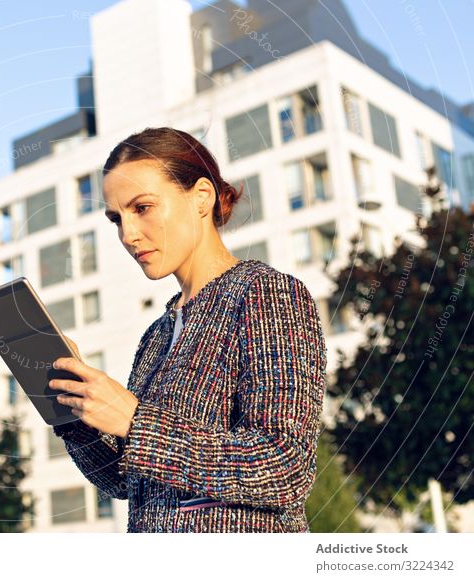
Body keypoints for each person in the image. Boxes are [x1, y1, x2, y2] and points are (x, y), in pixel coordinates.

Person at [48, 127, 327, 533]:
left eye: (141, 207)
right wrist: (72, 411)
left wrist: (136, 423)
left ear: (201, 198)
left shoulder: (265, 294)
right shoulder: (156, 336)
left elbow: (284, 467)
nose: (128, 235)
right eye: (116, 219)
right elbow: (127, 482)